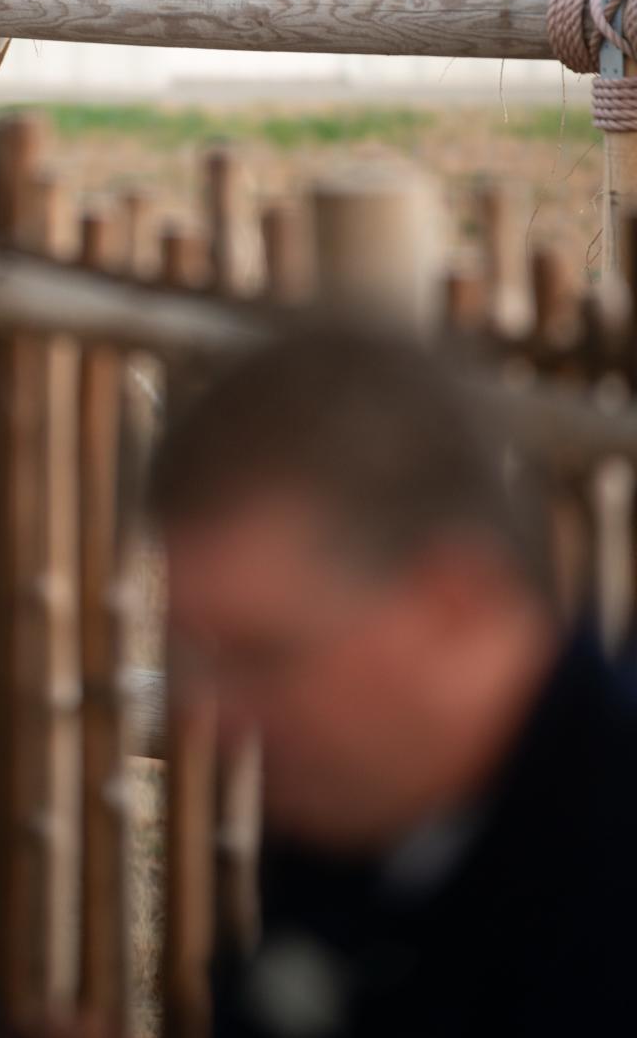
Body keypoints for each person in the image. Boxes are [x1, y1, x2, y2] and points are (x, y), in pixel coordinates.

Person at [148, 320, 637, 1038]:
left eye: (264, 656)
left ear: (453, 603)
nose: (213, 717)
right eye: (203, 656)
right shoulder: (364, 805)